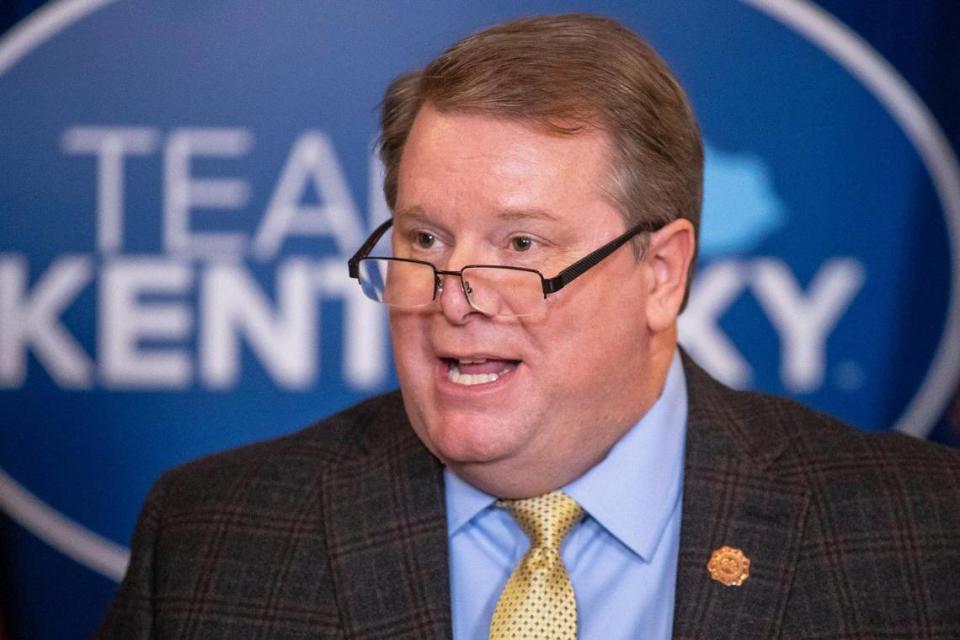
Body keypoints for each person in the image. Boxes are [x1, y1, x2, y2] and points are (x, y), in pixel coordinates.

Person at [98, 13, 960, 639]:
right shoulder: (214, 537)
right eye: (426, 240)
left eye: (519, 244)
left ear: (660, 274)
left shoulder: (918, 534)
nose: (453, 296)